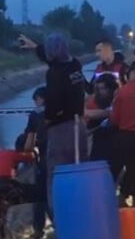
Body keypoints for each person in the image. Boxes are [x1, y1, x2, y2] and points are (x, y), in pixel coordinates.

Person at [18, 33, 87, 212]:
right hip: (79, 126)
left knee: (58, 175)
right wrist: (35, 47)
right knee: (79, 170)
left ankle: (61, 218)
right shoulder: (75, 64)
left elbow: (54, 101)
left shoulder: (54, 74)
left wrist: (47, 120)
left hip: (62, 130)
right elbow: (55, 61)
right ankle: (82, 211)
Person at [109, 62, 135, 206]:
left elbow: (114, 118)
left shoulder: (122, 91)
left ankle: (119, 198)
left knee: (118, 167)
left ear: (134, 73)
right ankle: (134, 198)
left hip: (124, 136)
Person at [22, 87, 49, 238]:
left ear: (40, 98)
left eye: (36, 100)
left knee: (41, 194)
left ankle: (38, 230)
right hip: (64, 156)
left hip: (44, 157)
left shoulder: (35, 114)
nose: (35, 103)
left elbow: (28, 144)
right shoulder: (62, 110)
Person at [85, 74, 118, 162]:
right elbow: (87, 113)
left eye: (103, 89)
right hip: (96, 138)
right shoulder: (93, 99)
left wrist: (108, 113)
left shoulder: (117, 98)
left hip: (114, 137)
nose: (100, 92)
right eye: (98, 89)